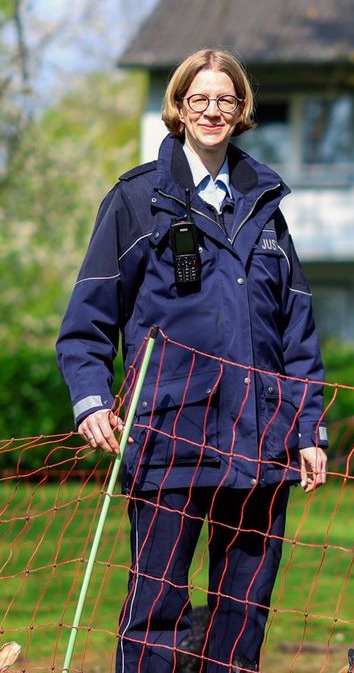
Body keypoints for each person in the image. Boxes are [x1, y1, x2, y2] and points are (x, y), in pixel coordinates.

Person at [57, 48, 328, 673]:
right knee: (156, 614)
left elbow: (299, 334)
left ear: (242, 112)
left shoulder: (266, 207)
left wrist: (307, 427)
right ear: (178, 107)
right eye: (199, 99)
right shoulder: (135, 201)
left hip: (261, 445)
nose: (213, 110)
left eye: (226, 100)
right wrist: (92, 399)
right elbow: (87, 323)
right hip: (167, 440)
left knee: (243, 613)